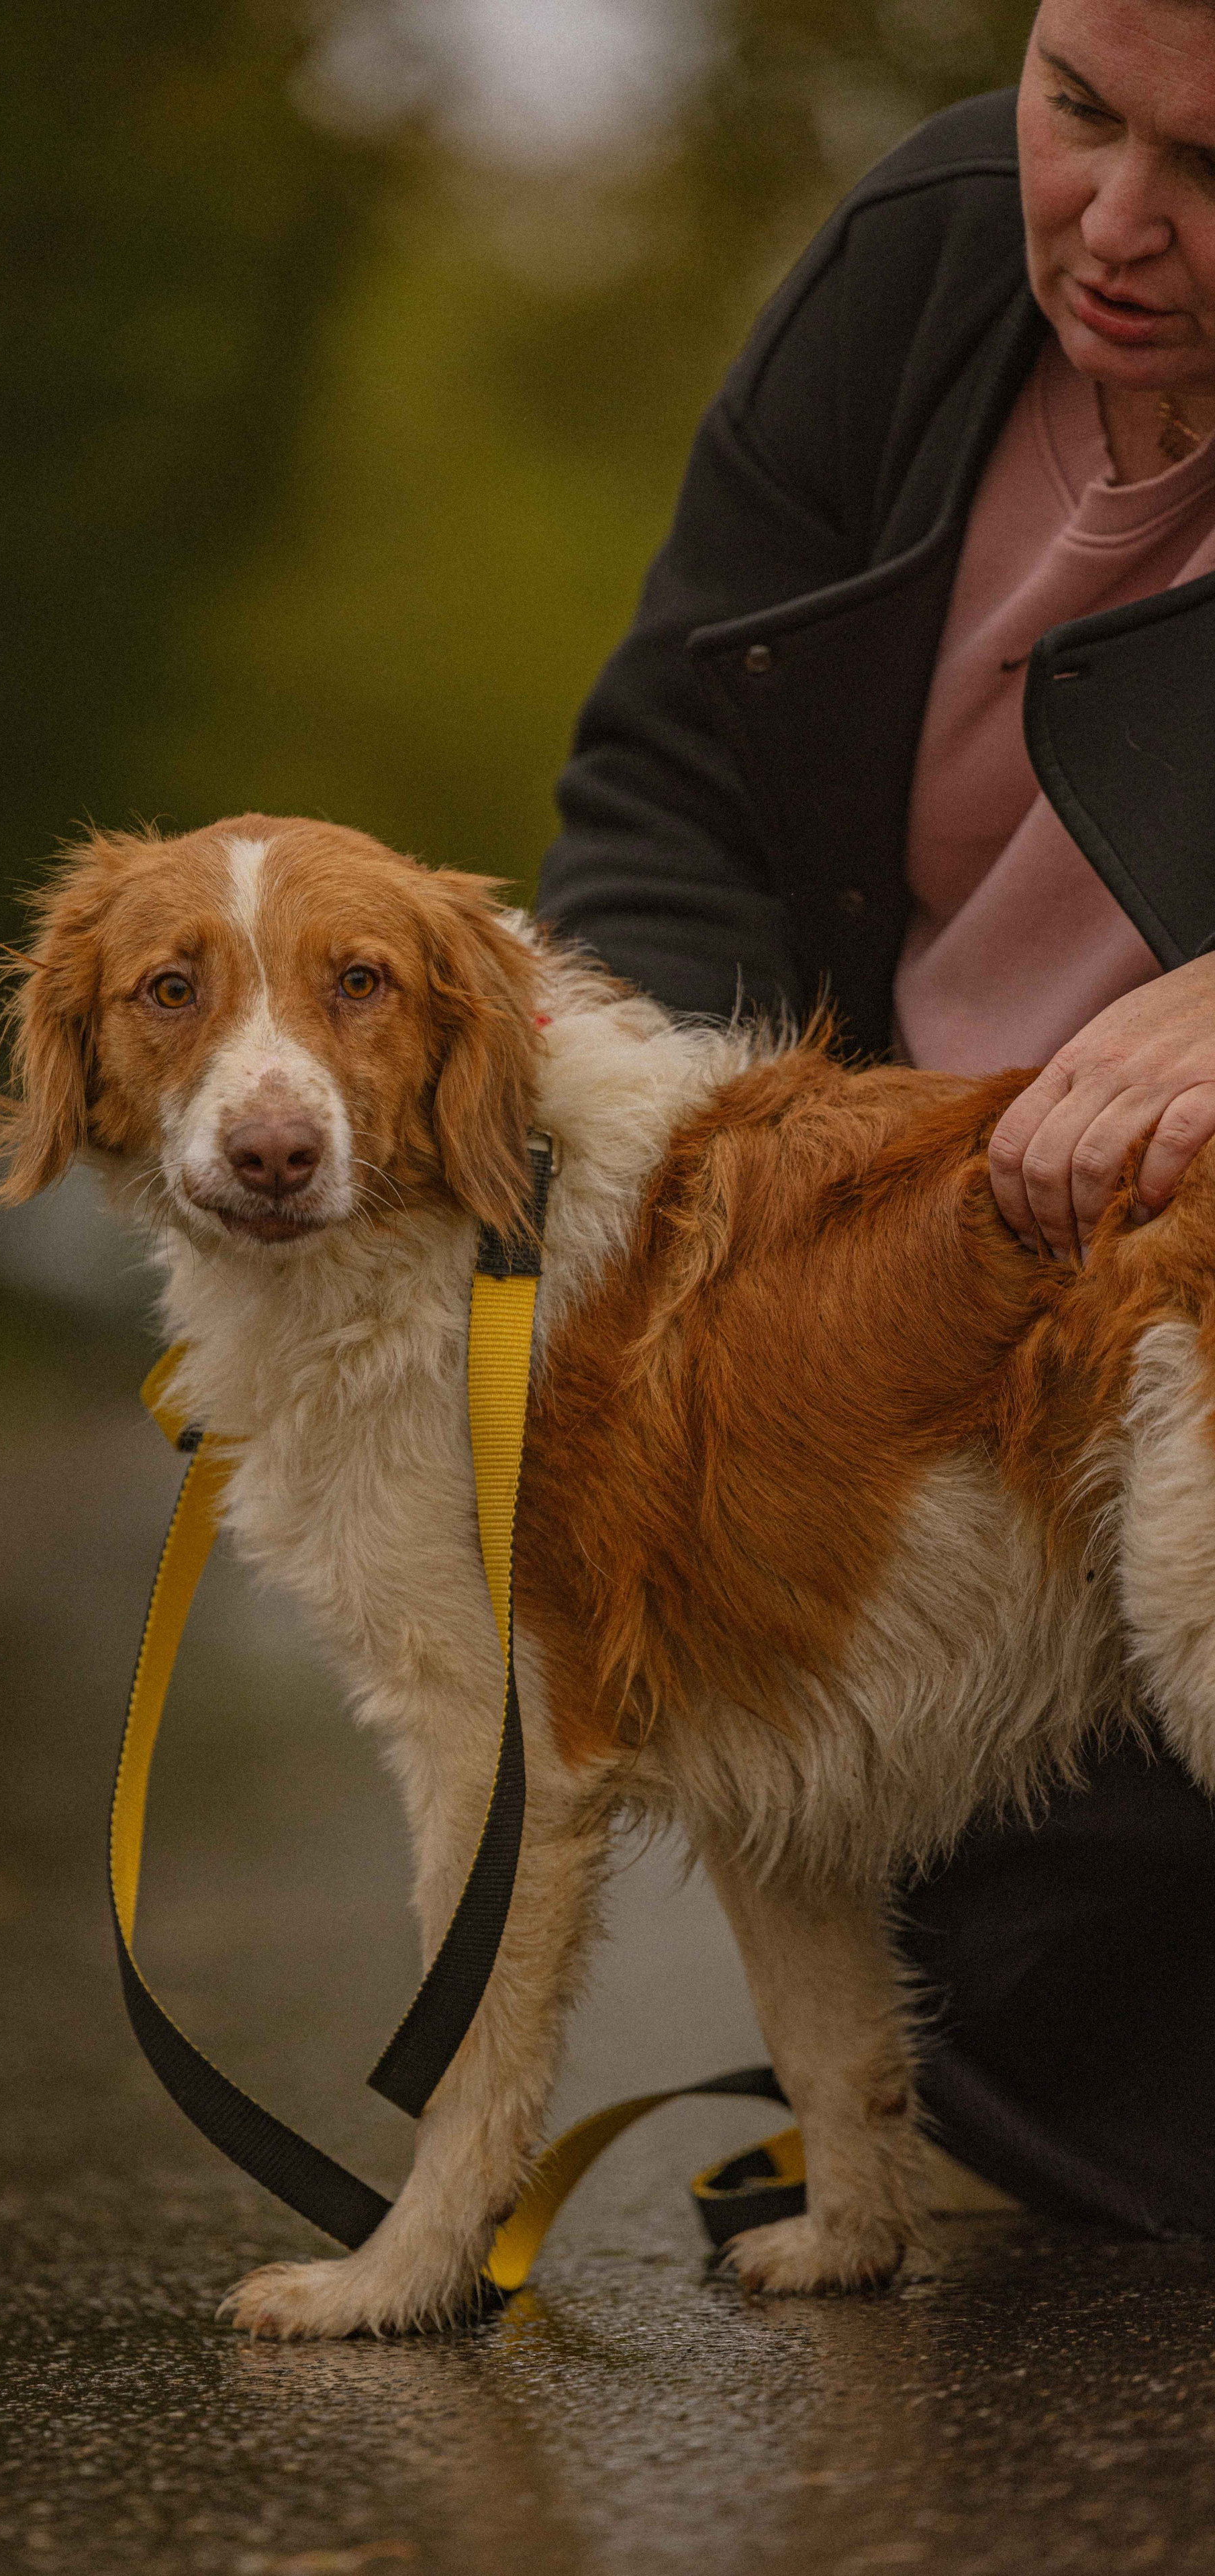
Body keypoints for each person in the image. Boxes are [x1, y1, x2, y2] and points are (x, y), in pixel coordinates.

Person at [536, 0, 1215, 2234]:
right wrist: (693, 1209)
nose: (1115, 227)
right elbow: (663, 790)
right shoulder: (924, 253)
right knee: (1017, 1995)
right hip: (921, 1315)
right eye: (1077, 109)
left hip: (1178, 1307)